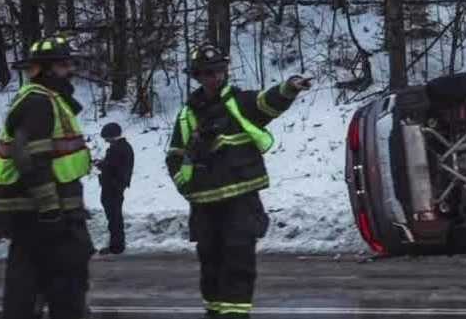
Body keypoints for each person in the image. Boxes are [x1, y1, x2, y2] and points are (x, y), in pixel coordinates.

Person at [166, 42, 311, 318]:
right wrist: (185, 185)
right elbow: (174, 156)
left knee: (238, 262)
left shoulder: (239, 103)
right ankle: (215, 312)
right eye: (208, 73)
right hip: (204, 205)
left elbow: (267, 102)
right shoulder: (187, 115)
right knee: (210, 266)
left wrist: (289, 87)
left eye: (219, 71)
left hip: (241, 202)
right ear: (197, 76)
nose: (215, 77)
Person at [0, 36, 95, 319]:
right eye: (63, 65)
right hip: (43, 216)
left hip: (41, 214)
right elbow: (31, 159)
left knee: (29, 285)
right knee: (64, 286)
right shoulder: (39, 102)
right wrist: (50, 208)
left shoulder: (46, 100)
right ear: (44, 70)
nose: (69, 70)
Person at [98, 121, 134, 255]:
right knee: (114, 215)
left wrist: (102, 165)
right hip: (117, 186)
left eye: (106, 137)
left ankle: (117, 246)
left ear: (111, 135)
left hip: (113, 187)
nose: (106, 141)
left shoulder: (117, 149)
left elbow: (112, 168)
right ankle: (117, 244)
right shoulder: (124, 147)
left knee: (114, 216)